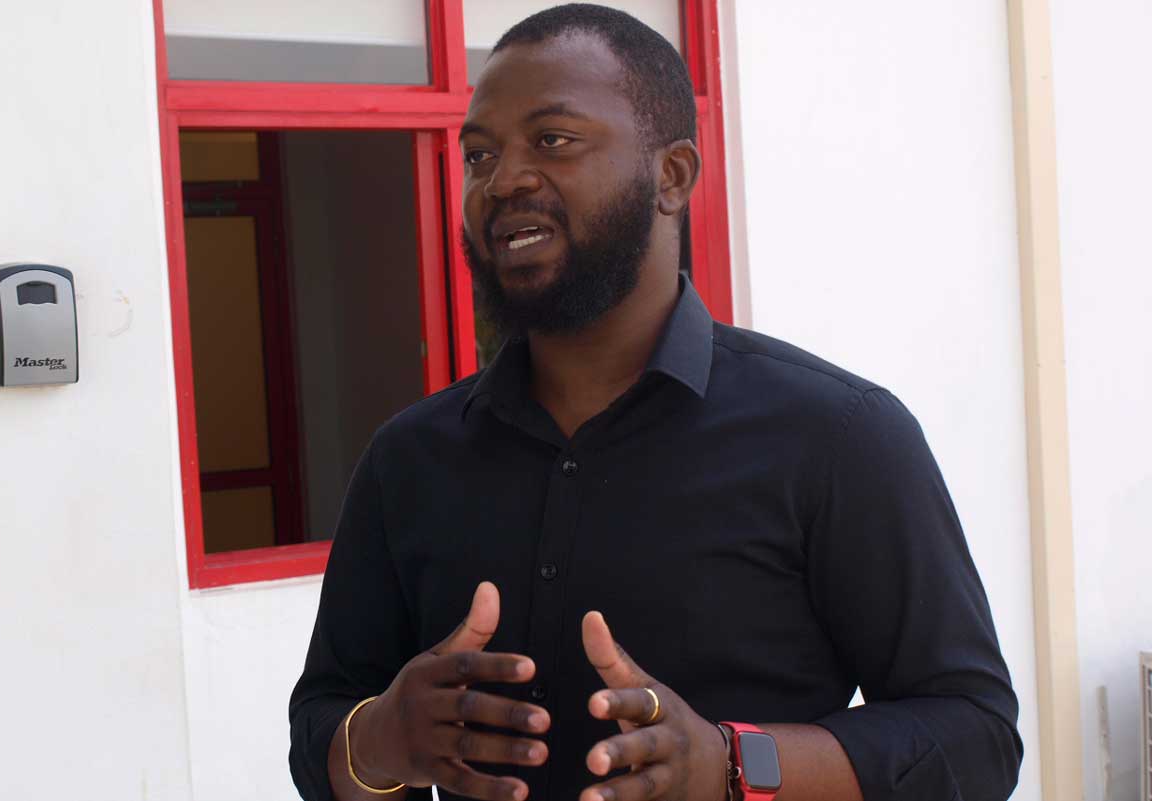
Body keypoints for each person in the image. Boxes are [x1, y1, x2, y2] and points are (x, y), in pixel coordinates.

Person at [288, 5, 1023, 801]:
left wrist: (733, 764)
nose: (503, 180)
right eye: (479, 154)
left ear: (672, 176)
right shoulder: (411, 460)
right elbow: (320, 736)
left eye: (553, 140)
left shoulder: (838, 437)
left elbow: (975, 736)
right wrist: (383, 739)